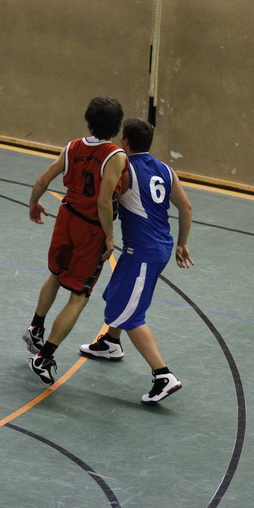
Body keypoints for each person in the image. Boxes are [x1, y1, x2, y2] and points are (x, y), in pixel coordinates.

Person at [79, 118, 194, 404]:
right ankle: (110, 343)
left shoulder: (124, 168)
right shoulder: (166, 170)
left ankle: (163, 375)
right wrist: (182, 243)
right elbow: (186, 207)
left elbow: (104, 202)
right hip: (157, 246)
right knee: (117, 295)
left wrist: (105, 234)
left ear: (125, 141)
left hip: (144, 251)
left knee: (130, 315)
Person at [23, 96, 128, 386]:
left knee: (56, 275)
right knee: (79, 296)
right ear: (117, 125)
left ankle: (36, 327)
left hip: (66, 218)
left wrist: (33, 202)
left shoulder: (72, 147)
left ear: (88, 120)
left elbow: (43, 180)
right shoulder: (115, 155)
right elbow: (104, 202)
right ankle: (44, 357)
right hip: (91, 229)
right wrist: (110, 236)